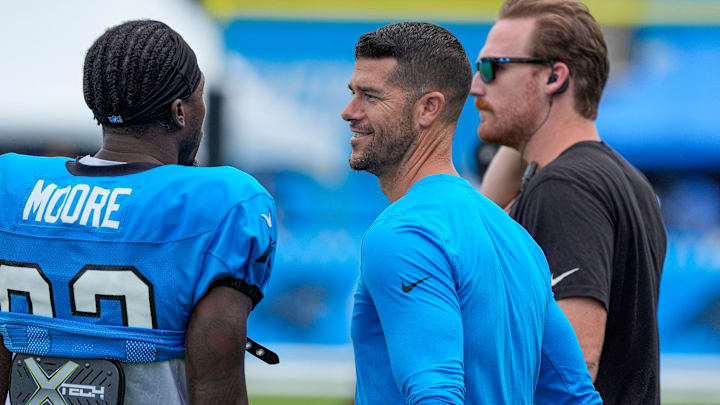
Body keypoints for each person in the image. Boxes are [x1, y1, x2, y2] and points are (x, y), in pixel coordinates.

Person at [0, 20, 277, 404]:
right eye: (199, 96)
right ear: (180, 111)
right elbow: (216, 384)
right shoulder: (220, 203)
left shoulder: (11, 186)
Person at [342, 21, 601, 404]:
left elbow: (436, 397)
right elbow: (577, 397)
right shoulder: (518, 239)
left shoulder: (404, 233)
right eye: (352, 93)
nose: (349, 111)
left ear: (428, 108)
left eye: (370, 96)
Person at [472, 1, 667, 403]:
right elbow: (481, 222)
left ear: (555, 77)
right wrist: (527, 133)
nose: (476, 85)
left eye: (493, 67)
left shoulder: (565, 188)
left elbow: (575, 366)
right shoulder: (623, 179)